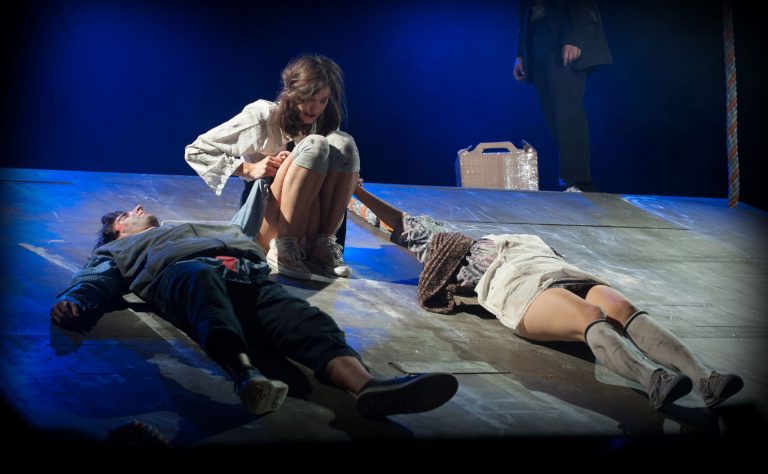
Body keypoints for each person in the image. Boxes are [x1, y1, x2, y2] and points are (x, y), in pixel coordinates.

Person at [49, 183, 459, 419]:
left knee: (305, 319)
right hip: (184, 277)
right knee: (203, 289)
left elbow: (246, 235)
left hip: (244, 276)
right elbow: (94, 279)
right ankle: (247, 377)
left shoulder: (196, 227)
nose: (139, 208)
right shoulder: (118, 250)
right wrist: (73, 300)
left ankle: (367, 387)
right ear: (118, 229)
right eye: (128, 213)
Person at [349, 181, 744, 410]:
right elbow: (399, 222)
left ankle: (705, 378)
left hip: (548, 264)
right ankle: (653, 381)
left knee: (623, 307)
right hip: (514, 282)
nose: (428, 226)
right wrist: (358, 192)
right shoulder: (441, 248)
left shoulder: (483, 237)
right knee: (589, 317)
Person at [185, 54, 359, 280]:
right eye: (308, 98)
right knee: (314, 145)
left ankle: (322, 247)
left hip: (311, 226)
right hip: (269, 223)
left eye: (323, 100)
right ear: (291, 91)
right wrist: (250, 169)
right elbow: (196, 151)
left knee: (344, 143)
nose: (314, 108)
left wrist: (345, 179)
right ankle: (283, 249)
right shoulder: (264, 116)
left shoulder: (324, 122)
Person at [513, 0, 612, 192]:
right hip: (537, 35)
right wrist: (521, 53)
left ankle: (579, 183)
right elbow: (523, 9)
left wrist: (575, 37)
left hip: (562, 34)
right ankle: (572, 180)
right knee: (553, 114)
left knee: (567, 111)